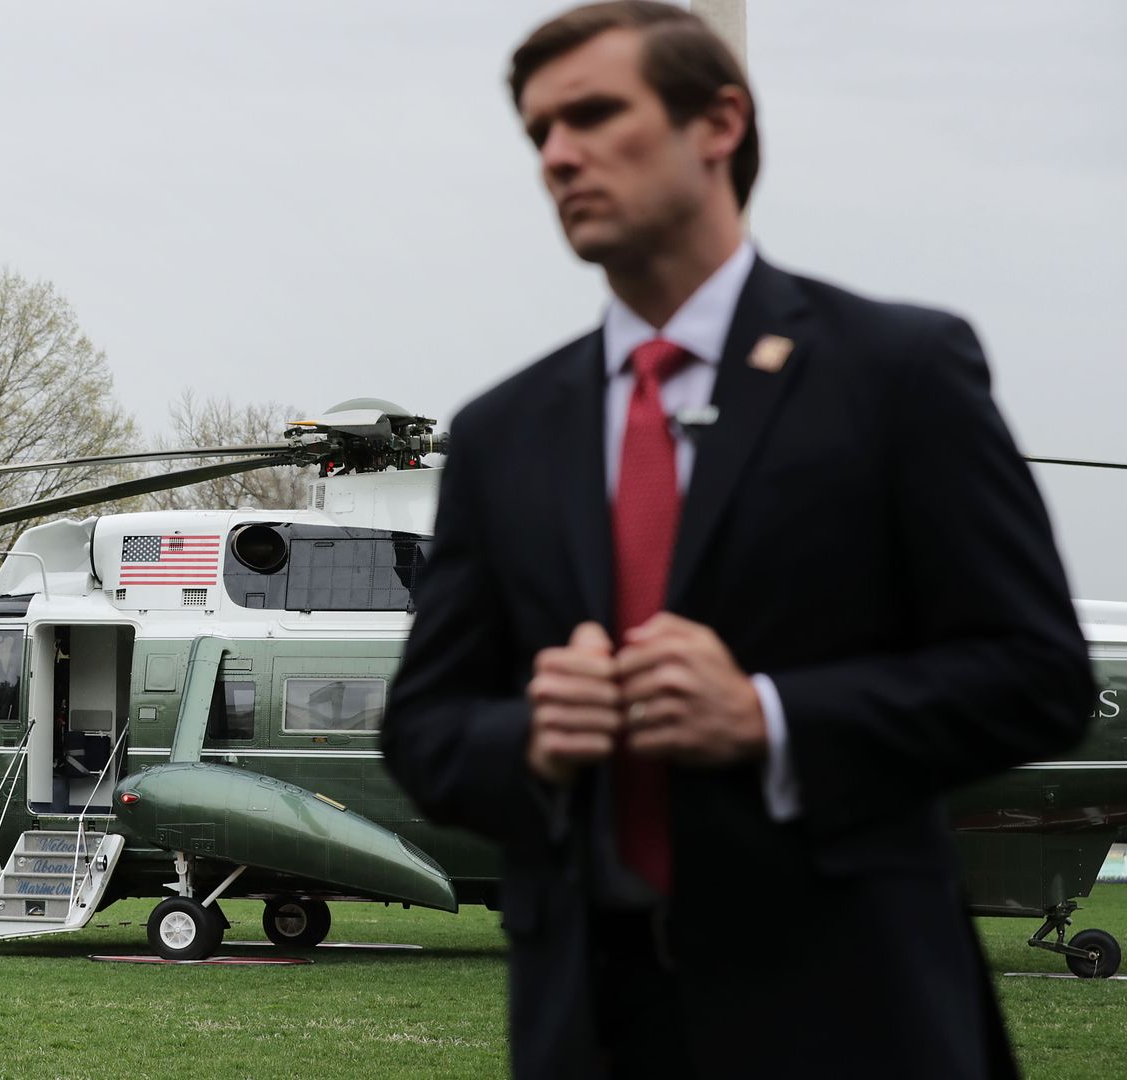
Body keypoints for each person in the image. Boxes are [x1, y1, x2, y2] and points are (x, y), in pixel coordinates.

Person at [381, 4, 1093, 1078]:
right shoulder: (501, 434)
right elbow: (425, 731)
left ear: (718, 122)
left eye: (594, 115)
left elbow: (1037, 677)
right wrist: (530, 734)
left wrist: (765, 718)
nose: (559, 156)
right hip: (590, 1021)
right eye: (539, 134)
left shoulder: (898, 374)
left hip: (855, 1013)